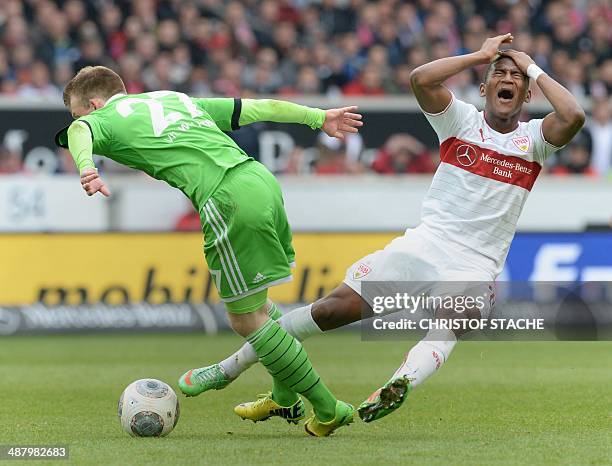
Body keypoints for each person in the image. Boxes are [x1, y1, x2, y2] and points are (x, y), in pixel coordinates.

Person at [182, 33, 585, 424]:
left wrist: (530, 65)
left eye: (516, 78)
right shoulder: (461, 121)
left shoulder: (533, 140)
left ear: (528, 93)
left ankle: (398, 384)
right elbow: (420, 78)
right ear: (483, 88)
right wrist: (481, 56)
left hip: (476, 264)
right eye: (500, 75)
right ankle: (228, 367)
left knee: (455, 320)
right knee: (329, 310)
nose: (508, 80)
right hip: (425, 246)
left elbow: (574, 115)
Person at [54, 65, 363, 437]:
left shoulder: (98, 118)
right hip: (259, 180)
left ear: (94, 102)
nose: (77, 120)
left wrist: (86, 168)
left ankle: (329, 409)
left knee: (244, 320)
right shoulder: (173, 99)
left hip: (225, 198)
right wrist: (318, 117)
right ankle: (284, 396)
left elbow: (79, 132)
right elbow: (255, 107)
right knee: (259, 307)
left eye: (76, 110)